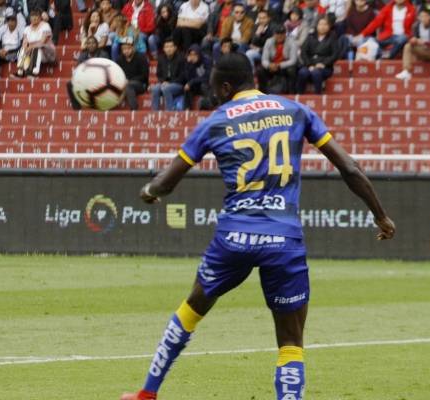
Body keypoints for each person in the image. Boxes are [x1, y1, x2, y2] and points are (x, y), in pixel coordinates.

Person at [120, 52, 396, 400]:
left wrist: (149, 191)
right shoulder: (296, 111)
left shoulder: (215, 121)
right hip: (283, 238)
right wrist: (380, 214)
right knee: (291, 343)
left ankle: (147, 392)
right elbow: (349, 168)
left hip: (234, 236)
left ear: (225, 86)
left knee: (191, 309)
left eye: (214, 89)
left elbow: (167, 182)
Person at [394, 8, 430, 80]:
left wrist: (424, 42)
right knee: (408, 46)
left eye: (425, 16)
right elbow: (410, 38)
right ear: (419, 17)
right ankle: (406, 71)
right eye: (421, 16)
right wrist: (413, 40)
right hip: (421, 50)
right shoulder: (416, 26)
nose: (423, 18)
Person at [296, 16, 338, 94]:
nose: (323, 27)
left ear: (329, 26)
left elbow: (335, 54)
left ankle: (318, 95)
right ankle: (300, 95)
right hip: (310, 64)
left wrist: (324, 64)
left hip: (325, 66)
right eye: (320, 24)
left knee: (316, 73)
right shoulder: (310, 36)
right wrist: (309, 65)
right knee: (302, 72)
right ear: (316, 25)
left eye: (325, 24)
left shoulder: (332, 37)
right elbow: (304, 52)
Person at [258, 24, 296, 94]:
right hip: (272, 65)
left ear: (285, 34)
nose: (280, 36)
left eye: (282, 33)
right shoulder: (269, 41)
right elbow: (264, 59)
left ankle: (291, 93)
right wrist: (269, 65)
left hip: (284, 66)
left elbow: (293, 60)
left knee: (291, 70)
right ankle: (262, 93)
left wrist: (279, 65)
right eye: (277, 34)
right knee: (260, 70)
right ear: (274, 34)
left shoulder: (291, 42)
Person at [16, 10, 55, 76]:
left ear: (40, 18)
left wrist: (31, 46)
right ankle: (20, 70)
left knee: (37, 49)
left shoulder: (45, 26)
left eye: (36, 16)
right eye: (32, 17)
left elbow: (42, 42)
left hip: (46, 52)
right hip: (30, 52)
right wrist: (26, 47)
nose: (34, 18)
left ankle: (35, 71)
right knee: (23, 49)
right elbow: (24, 42)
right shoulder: (27, 28)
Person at [151, 37, 184, 111]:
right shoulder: (161, 58)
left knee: (166, 88)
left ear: (175, 48)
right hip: (164, 83)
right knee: (155, 89)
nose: (169, 49)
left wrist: (170, 83)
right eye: (166, 47)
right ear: (163, 49)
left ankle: (169, 112)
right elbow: (159, 74)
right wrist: (163, 81)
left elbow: (183, 76)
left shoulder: (181, 58)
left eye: (171, 46)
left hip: (178, 84)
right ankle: (154, 113)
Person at [116, 36, 148, 109]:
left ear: (133, 47)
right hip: (124, 83)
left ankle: (134, 109)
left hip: (140, 84)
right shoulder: (120, 59)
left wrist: (129, 80)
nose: (126, 51)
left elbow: (144, 76)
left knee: (129, 86)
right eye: (124, 49)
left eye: (128, 48)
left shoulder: (141, 57)